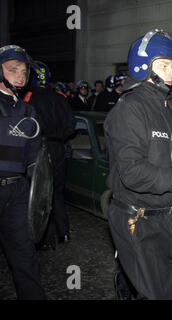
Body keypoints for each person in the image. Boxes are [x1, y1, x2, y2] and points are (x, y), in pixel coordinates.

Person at [104, 29, 172, 300]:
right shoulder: (129, 109)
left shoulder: (167, 108)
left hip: (169, 217)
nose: (171, 73)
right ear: (143, 67)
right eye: (164, 66)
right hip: (138, 219)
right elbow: (132, 172)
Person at [0, 44, 46, 299]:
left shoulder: (28, 111)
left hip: (18, 192)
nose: (20, 76)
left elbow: (35, 158)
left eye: (24, 71)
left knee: (25, 257)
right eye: (12, 70)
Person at [26, 61, 76, 250]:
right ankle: (63, 233)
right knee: (57, 192)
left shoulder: (29, 99)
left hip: (39, 149)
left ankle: (45, 239)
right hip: (58, 148)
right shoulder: (59, 97)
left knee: (39, 194)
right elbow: (71, 125)